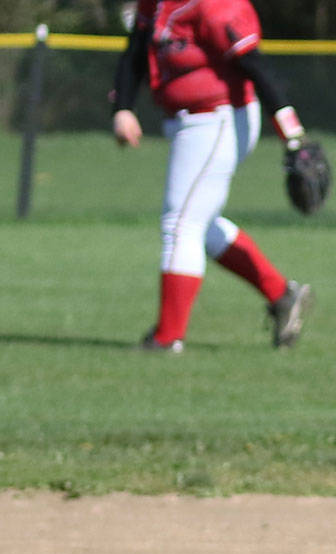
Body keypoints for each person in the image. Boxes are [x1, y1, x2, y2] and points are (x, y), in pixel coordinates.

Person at [110, 0, 312, 352]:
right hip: (187, 121)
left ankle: (167, 337)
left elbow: (255, 66)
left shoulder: (215, 3)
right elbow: (137, 49)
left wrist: (292, 136)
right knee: (197, 221)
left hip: (219, 118)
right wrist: (123, 107)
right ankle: (282, 295)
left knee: (180, 224)